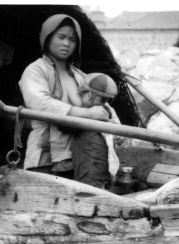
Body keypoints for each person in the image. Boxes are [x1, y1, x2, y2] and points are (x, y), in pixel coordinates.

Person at [19, 14, 111, 178]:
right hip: (46, 157)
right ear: (47, 38)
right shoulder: (36, 70)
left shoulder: (80, 76)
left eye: (72, 40)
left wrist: (112, 121)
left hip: (76, 156)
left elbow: (102, 101)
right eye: (61, 37)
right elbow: (40, 103)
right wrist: (86, 113)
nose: (66, 43)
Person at [71, 73, 121, 189]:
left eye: (82, 93)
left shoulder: (83, 113)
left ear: (88, 95)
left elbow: (65, 126)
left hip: (88, 168)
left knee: (86, 194)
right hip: (105, 167)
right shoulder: (107, 111)